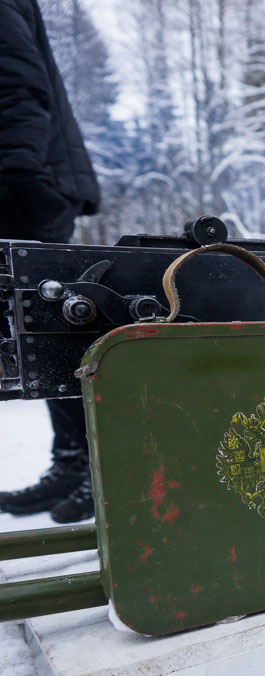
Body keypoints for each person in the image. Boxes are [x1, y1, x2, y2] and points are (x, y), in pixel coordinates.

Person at [0, 0, 101, 524]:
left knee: (54, 325)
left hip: (24, 184)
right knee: (38, 330)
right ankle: (72, 461)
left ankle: (94, 466)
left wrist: (18, 175)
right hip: (27, 179)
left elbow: (16, 83)